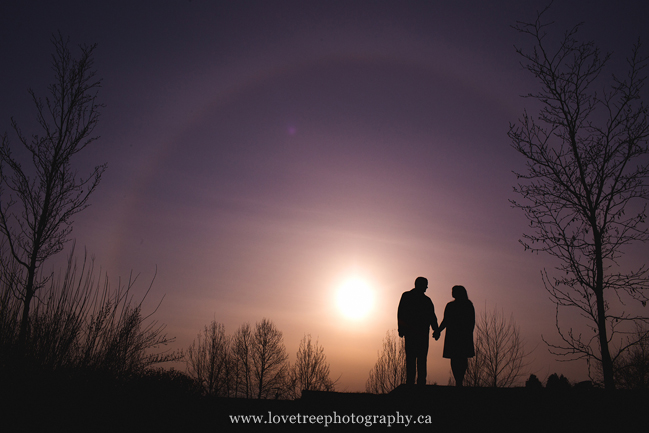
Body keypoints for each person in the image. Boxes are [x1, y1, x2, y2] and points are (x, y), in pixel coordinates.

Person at [397, 277, 439, 386]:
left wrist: (436, 329)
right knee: (417, 359)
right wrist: (436, 329)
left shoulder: (422, 299)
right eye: (425, 285)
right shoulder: (418, 299)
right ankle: (415, 383)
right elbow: (401, 312)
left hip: (418, 334)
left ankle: (418, 383)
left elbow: (432, 317)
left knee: (417, 359)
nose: (426, 287)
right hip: (417, 334)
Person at [434, 285, 475, 386]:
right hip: (455, 336)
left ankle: (459, 379)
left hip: (460, 336)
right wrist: (438, 330)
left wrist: (438, 330)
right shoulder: (451, 306)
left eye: (454, 291)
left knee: (460, 358)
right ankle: (458, 379)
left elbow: (471, 321)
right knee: (455, 358)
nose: (452, 292)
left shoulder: (467, 305)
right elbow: (446, 321)